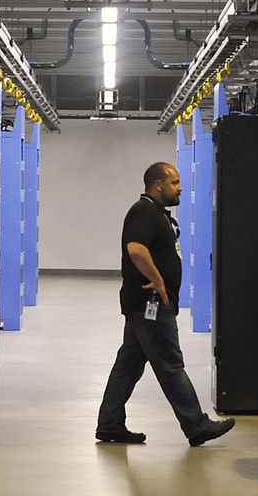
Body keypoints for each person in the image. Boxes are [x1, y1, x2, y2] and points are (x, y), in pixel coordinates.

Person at [95, 162, 236, 446]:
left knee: (128, 366)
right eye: (174, 182)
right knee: (171, 365)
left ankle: (109, 424)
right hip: (151, 303)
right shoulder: (143, 211)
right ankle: (196, 426)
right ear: (157, 184)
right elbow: (136, 250)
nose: (179, 187)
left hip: (145, 304)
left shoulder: (156, 213)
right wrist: (159, 282)